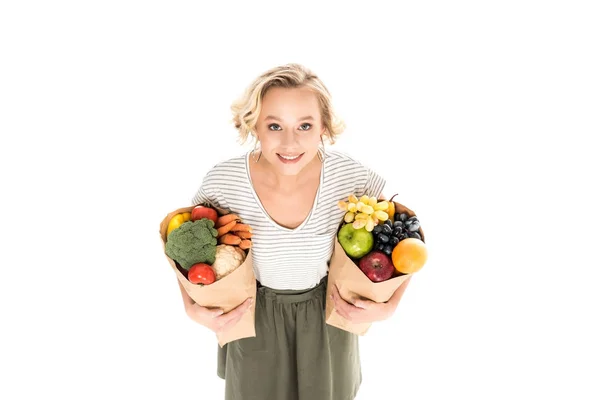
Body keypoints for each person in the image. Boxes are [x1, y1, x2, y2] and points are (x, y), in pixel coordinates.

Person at [176, 63, 412, 400]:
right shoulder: (224, 182)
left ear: (324, 128)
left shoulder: (350, 177)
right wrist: (190, 305)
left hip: (328, 313)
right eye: (275, 125)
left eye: (305, 125)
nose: (290, 142)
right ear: (254, 125)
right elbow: (184, 249)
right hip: (253, 314)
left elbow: (406, 244)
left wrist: (390, 306)